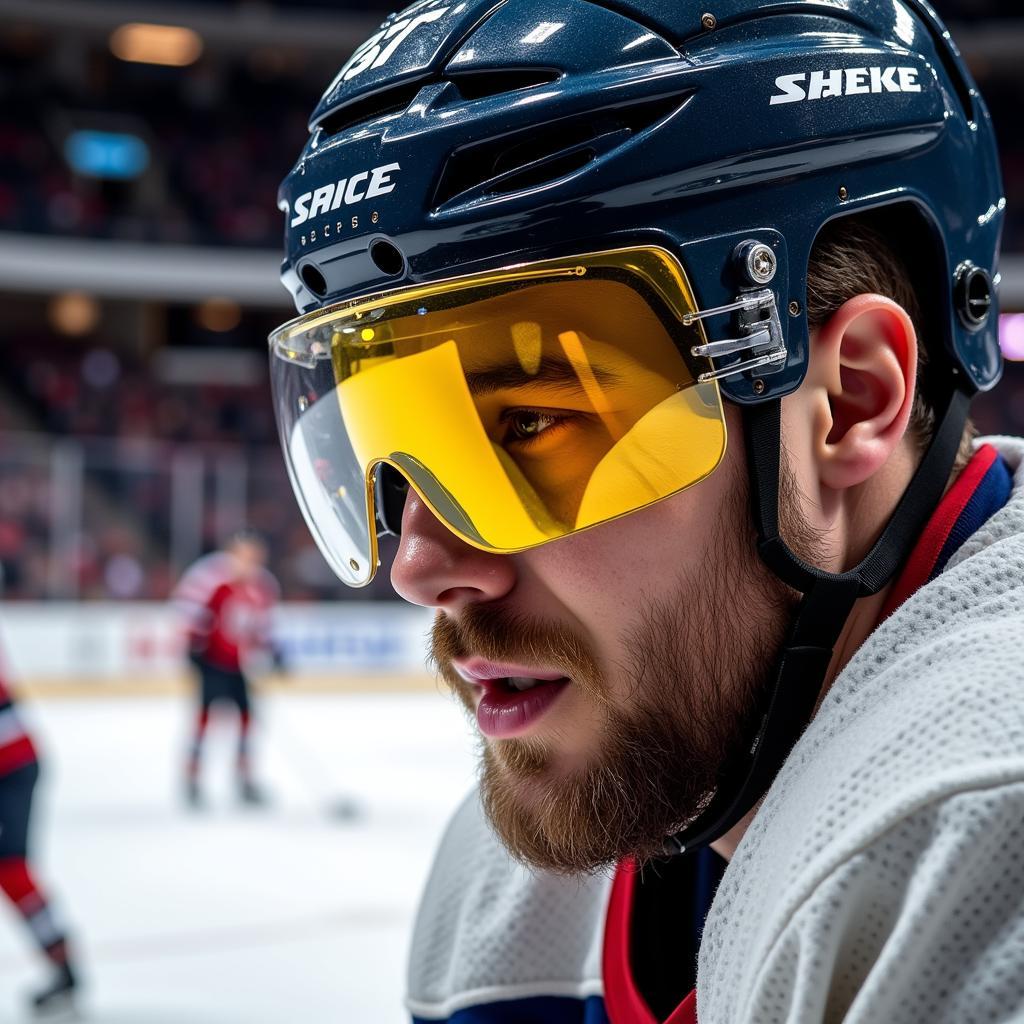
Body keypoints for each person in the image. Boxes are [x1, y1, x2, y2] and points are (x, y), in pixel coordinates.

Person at [268, 1, 1021, 1020]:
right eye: (386, 449)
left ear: (848, 403)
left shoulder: (976, 841)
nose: (420, 562)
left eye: (528, 423)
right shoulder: (521, 887)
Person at [173, 530, 280, 806]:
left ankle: (244, 779)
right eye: (245, 556)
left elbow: (261, 627)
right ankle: (192, 780)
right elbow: (190, 614)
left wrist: (273, 652)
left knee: (246, 719)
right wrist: (193, 648)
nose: (251, 562)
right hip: (211, 663)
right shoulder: (214, 581)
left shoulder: (261, 588)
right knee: (204, 720)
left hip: (238, 665)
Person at [0, 659, 77, 1014]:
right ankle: (63, 967)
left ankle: (62, 966)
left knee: (12, 870)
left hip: (10, 767)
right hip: (13, 761)